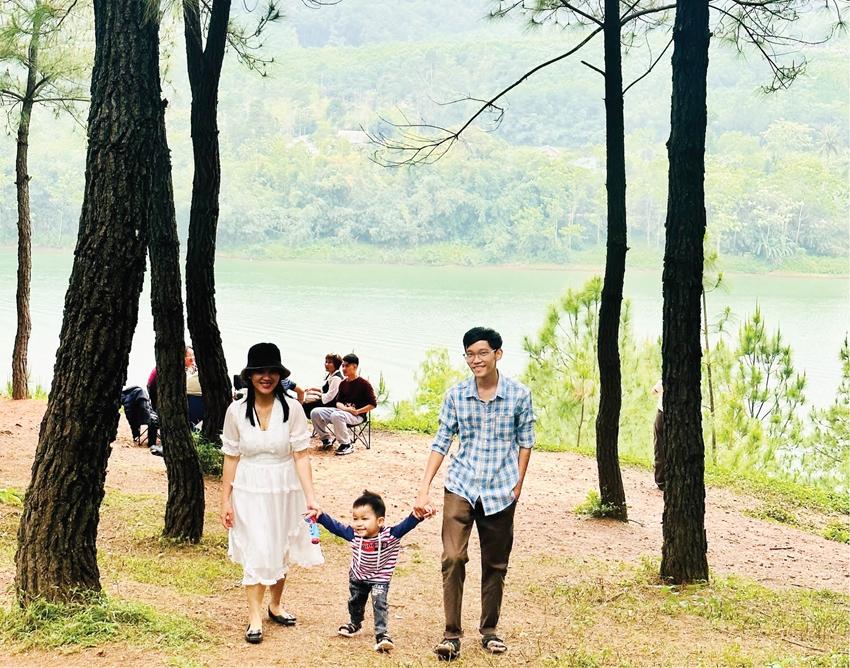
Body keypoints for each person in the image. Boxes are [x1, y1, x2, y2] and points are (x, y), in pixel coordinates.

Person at [414, 326, 535, 661]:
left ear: (498, 354)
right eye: (470, 354)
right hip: (461, 485)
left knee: (495, 563)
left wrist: (518, 483)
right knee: (452, 558)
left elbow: (526, 441)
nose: (476, 360)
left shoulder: (518, 395)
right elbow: (441, 442)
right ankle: (451, 634)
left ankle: (490, 630)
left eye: (482, 353)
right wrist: (424, 488)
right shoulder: (456, 395)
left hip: (501, 489)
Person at [220, 342, 323, 645]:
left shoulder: (292, 408)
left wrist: (310, 497)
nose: (266, 377)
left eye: (272, 371)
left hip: (284, 485)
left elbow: (301, 455)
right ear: (249, 376)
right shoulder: (236, 410)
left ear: (280, 374)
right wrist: (225, 500)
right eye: (259, 371)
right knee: (257, 548)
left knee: (279, 546)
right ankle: (254, 616)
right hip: (249, 487)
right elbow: (231, 457)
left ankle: (275, 605)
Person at [316, 490, 426, 653]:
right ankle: (355, 623)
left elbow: (407, 524)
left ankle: (382, 634)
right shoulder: (353, 535)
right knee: (355, 601)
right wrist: (320, 516)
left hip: (380, 578)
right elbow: (335, 527)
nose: (358, 523)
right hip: (358, 576)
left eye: (364, 519)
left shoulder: (390, 535)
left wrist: (419, 515)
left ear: (380, 521)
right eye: (355, 518)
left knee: (379, 603)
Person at [310, 353, 377, 456]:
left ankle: (346, 444)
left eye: (347, 366)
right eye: (343, 366)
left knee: (336, 415)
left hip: (357, 415)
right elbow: (338, 402)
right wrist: (346, 409)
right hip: (343, 412)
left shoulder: (364, 384)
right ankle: (326, 439)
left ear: (355, 367)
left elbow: (373, 404)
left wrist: (358, 411)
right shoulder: (343, 383)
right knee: (315, 412)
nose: (344, 369)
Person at [302, 353, 344, 418]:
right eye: (326, 362)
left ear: (336, 364)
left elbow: (330, 397)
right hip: (327, 401)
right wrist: (314, 389)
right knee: (305, 402)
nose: (326, 364)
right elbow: (325, 389)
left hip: (330, 404)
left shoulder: (336, 378)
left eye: (330, 362)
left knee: (305, 405)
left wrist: (316, 394)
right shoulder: (331, 375)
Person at [651, 379, 665, 491]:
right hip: (676, 417)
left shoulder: (664, 380)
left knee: (659, 448)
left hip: (662, 414)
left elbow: (653, 391)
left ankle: (660, 481)